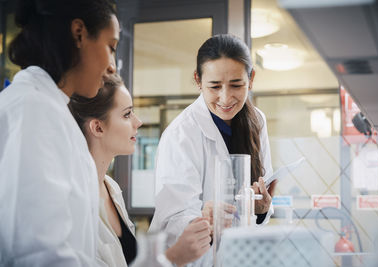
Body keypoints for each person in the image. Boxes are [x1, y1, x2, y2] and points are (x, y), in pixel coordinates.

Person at [0, 0, 119, 266]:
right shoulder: (34, 109)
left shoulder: (49, 107)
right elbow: (36, 251)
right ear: (79, 34)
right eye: (110, 47)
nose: (112, 66)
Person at [149, 34, 277, 266]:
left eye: (237, 85)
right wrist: (204, 218)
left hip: (240, 256)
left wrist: (260, 209)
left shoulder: (257, 120)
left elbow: (259, 195)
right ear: (198, 80)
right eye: (214, 86)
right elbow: (172, 219)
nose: (225, 98)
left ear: (251, 78)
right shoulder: (181, 133)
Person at [68, 74, 212, 267]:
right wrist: (173, 257)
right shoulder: (72, 203)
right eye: (127, 114)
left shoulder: (111, 188)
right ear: (98, 127)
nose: (138, 122)